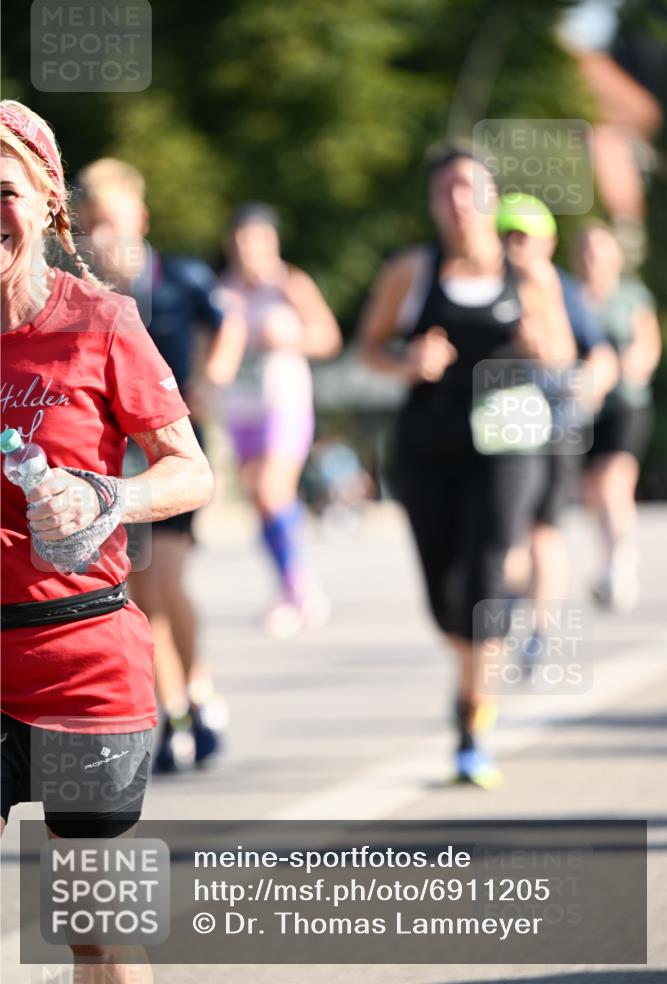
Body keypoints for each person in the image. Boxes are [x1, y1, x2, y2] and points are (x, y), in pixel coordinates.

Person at [0, 102, 213, 980]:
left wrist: (105, 494)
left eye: (2, 192)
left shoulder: (101, 321)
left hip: (81, 661)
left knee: (98, 930)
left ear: (49, 202)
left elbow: (190, 472)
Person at [357, 148, 576, 787]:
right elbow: (368, 347)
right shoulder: (411, 270)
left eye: (470, 188)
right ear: (433, 202)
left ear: (491, 196)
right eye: (446, 190)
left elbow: (564, 354)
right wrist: (408, 361)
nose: (459, 201)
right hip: (428, 445)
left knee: (486, 574)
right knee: (443, 596)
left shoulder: (528, 273)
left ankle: (473, 725)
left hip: (509, 443)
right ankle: (472, 676)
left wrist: (540, 345)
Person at [73, 158, 229, 773]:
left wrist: (212, 377)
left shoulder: (181, 276)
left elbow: (227, 323)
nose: (103, 236)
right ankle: (175, 713)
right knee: (140, 589)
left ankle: (200, 688)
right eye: (91, 224)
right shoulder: (83, 294)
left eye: (112, 221)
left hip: (172, 446)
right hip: (118, 454)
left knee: (166, 579)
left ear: (140, 216)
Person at [204, 203, 342, 637]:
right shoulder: (222, 290)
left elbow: (329, 337)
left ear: (272, 241)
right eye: (240, 239)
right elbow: (207, 346)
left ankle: (298, 587)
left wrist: (292, 337)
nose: (247, 248)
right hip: (239, 408)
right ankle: (290, 585)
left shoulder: (290, 284)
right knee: (260, 498)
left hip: (284, 403)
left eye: (255, 238)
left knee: (270, 489)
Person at [496, 194, 618, 670]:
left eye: (522, 237)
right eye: (504, 236)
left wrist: (587, 384)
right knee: (507, 529)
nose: (513, 247)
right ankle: (509, 600)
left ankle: (540, 631)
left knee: (543, 530)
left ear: (546, 242)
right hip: (502, 425)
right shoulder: (488, 288)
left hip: (554, 427)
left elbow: (599, 354)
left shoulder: (561, 289)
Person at [573, 222, 661, 611]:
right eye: (588, 251)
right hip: (584, 407)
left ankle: (620, 566)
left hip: (626, 402)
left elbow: (648, 344)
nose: (594, 259)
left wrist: (634, 363)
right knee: (592, 491)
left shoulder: (631, 296)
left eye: (601, 251)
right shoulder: (570, 295)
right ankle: (608, 557)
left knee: (614, 482)